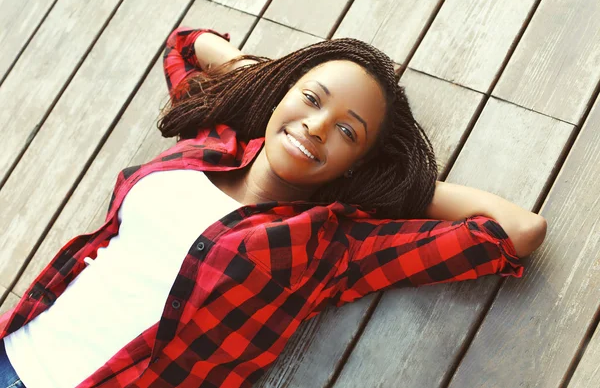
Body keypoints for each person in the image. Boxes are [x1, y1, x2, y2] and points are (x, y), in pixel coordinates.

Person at [0, 26, 545, 388]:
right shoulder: (209, 142)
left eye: (347, 132)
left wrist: (395, 180)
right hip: (15, 344)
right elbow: (188, 45)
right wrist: (261, 81)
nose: (317, 125)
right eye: (312, 98)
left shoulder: (329, 247)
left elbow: (516, 230)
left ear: (358, 162)